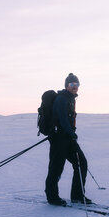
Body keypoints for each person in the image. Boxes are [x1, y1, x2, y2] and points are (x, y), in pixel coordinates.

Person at [45, 73, 90, 206]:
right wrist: (71, 133)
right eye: (72, 84)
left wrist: (71, 134)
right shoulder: (61, 99)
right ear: (66, 86)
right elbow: (63, 120)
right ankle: (52, 197)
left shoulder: (71, 99)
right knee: (56, 168)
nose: (74, 87)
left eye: (76, 85)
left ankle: (77, 195)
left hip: (68, 138)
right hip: (59, 138)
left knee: (81, 163)